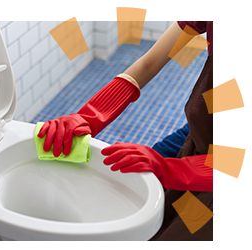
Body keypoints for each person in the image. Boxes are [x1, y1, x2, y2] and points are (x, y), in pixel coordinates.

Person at [37, 21, 213, 241]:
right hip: (200, 135)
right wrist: (89, 117)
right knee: (135, 184)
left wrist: (169, 169)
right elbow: (148, 64)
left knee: (181, 227)